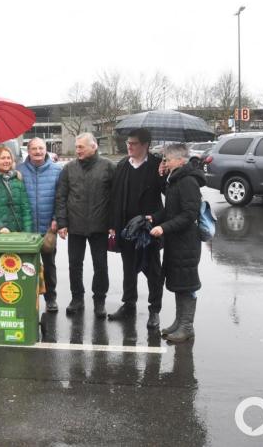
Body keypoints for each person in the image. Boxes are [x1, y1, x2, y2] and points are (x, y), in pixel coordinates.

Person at [108, 128, 166, 329]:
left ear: (145, 145)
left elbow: (171, 198)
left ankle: (154, 310)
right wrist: (113, 226)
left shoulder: (158, 166)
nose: (129, 146)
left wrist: (155, 218)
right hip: (126, 230)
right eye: (127, 143)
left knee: (153, 272)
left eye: (133, 143)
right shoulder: (123, 165)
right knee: (128, 270)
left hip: (148, 231)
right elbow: (115, 197)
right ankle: (128, 305)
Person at [149, 143, 206, 343]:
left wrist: (164, 228)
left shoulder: (188, 181)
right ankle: (178, 322)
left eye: (167, 159)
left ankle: (187, 327)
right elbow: (171, 210)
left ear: (180, 160)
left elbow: (189, 215)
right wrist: (153, 219)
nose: (165, 162)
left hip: (187, 242)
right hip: (176, 241)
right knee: (179, 283)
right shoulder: (174, 179)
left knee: (187, 284)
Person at [55, 132, 115, 317]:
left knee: (101, 265)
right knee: (75, 264)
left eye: (81, 146)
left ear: (93, 146)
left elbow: (115, 198)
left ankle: (99, 301)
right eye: (77, 146)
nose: (77, 150)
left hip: (100, 226)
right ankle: (77, 299)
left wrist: (113, 224)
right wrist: (62, 223)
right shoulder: (69, 168)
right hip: (76, 226)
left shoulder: (108, 167)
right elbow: (61, 197)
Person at [17, 138, 62, 312]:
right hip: (25, 229)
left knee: (49, 265)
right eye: (34, 148)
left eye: (41, 148)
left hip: (48, 229)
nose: (38, 151)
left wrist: (56, 219)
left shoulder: (56, 171)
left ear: (46, 150)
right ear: (28, 150)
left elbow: (60, 198)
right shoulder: (19, 171)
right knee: (26, 266)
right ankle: (28, 296)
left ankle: (51, 298)